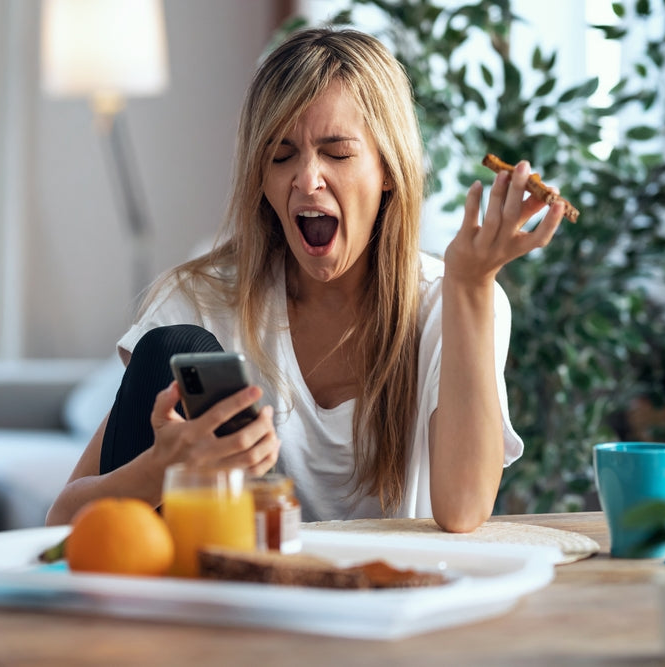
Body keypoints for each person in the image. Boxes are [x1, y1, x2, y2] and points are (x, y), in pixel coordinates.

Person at [46, 27, 564, 533]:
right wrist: (159, 470)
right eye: (281, 154)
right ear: (261, 175)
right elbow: (60, 524)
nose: (306, 178)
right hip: (230, 592)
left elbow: (464, 511)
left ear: (388, 171)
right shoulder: (199, 301)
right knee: (173, 344)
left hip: (383, 602)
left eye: (337, 153)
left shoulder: (449, 300)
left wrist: (471, 287)